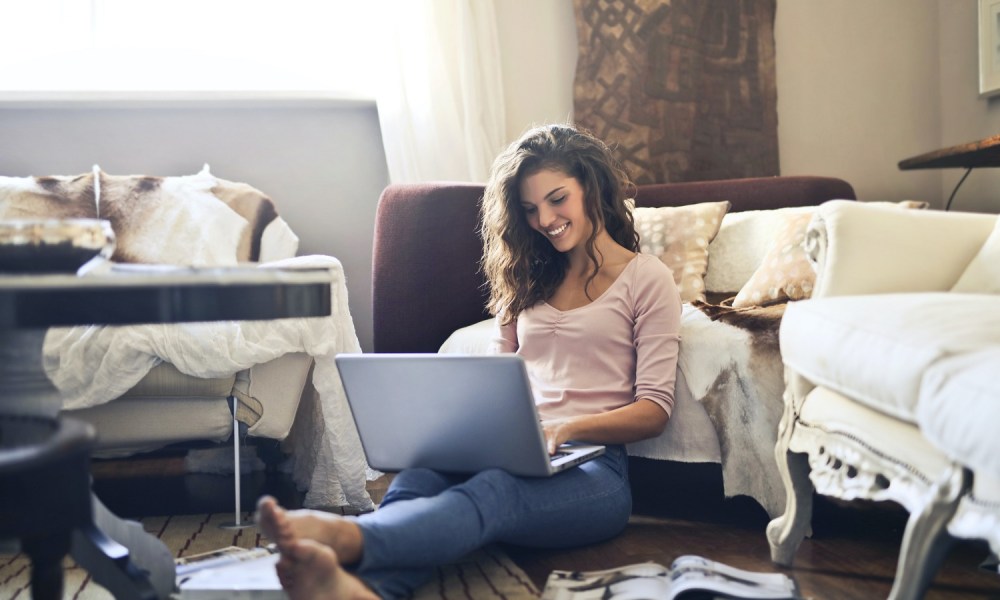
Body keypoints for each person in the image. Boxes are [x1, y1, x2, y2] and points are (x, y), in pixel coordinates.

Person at [256, 123, 682, 599]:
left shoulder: (647, 279)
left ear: (593, 186)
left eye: (557, 199)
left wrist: (564, 429)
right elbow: (496, 384)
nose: (545, 219)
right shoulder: (526, 279)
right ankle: (367, 591)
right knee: (419, 476)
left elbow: (655, 411)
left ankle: (351, 537)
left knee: (491, 493)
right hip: (513, 448)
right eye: (530, 209)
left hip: (594, 472)